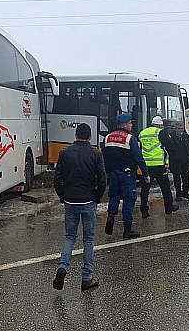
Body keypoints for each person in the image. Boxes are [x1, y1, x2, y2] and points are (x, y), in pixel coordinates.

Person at [53, 123, 107, 291]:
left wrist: (63, 196)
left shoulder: (64, 153)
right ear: (90, 137)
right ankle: (87, 278)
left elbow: (57, 179)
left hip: (70, 201)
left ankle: (63, 267)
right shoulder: (96, 154)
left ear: (75, 135)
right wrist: (96, 197)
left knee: (70, 237)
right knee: (89, 240)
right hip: (88, 200)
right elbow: (102, 180)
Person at [102, 113, 149, 238]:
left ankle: (111, 217)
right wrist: (145, 173)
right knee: (129, 200)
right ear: (124, 124)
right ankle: (127, 229)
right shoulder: (130, 138)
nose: (131, 125)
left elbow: (104, 157)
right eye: (130, 123)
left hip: (113, 174)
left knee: (114, 196)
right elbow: (138, 157)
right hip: (127, 174)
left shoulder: (107, 138)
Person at [139, 116, 179, 217]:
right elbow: (170, 146)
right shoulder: (160, 133)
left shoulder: (142, 133)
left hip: (146, 165)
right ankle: (168, 207)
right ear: (160, 125)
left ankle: (144, 210)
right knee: (165, 187)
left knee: (145, 189)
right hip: (159, 165)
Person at [161, 121, 189, 201]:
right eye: (179, 129)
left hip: (185, 160)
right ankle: (178, 194)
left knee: (186, 178)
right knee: (177, 178)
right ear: (175, 129)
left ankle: (185, 193)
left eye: (182, 128)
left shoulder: (186, 136)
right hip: (175, 161)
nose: (180, 130)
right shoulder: (171, 136)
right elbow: (169, 148)